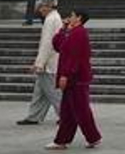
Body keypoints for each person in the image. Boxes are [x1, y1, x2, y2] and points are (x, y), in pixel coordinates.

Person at [46, 9, 101, 150]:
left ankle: (92, 137)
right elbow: (58, 46)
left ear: (79, 18)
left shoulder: (79, 33)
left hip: (76, 79)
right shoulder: (73, 32)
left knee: (80, 110)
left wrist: (65, 75)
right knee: (68, 112)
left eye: (72, 15)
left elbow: (74, 57)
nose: (69, 17)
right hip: (74, 78)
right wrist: (63, 29)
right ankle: (62, 140)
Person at [16, 0, 63, 126]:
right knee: (40, 92)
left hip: (49, 63)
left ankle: (66, 115)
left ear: (48, 6)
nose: (39, 9)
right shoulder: (54, 17)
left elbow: (47, 44)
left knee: (53, 92)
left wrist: (39, 63)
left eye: (41, 6)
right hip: (50, 60)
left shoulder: (50, 20)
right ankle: (34, 116)